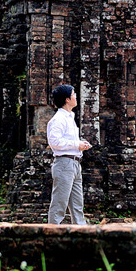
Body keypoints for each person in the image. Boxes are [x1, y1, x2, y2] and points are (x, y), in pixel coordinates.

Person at [46, 84, 91, 225]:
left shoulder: (70, 117)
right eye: (73, 94)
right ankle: (52, 232)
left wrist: (80, 144)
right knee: (59, 204)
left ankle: (80, 233)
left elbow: (67, 141)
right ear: (67, 99)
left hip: (75, 163)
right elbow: (55, 142)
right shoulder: (58, 119)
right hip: (64, 163)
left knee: (77, 205)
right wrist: (76, 144)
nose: (76, 96)